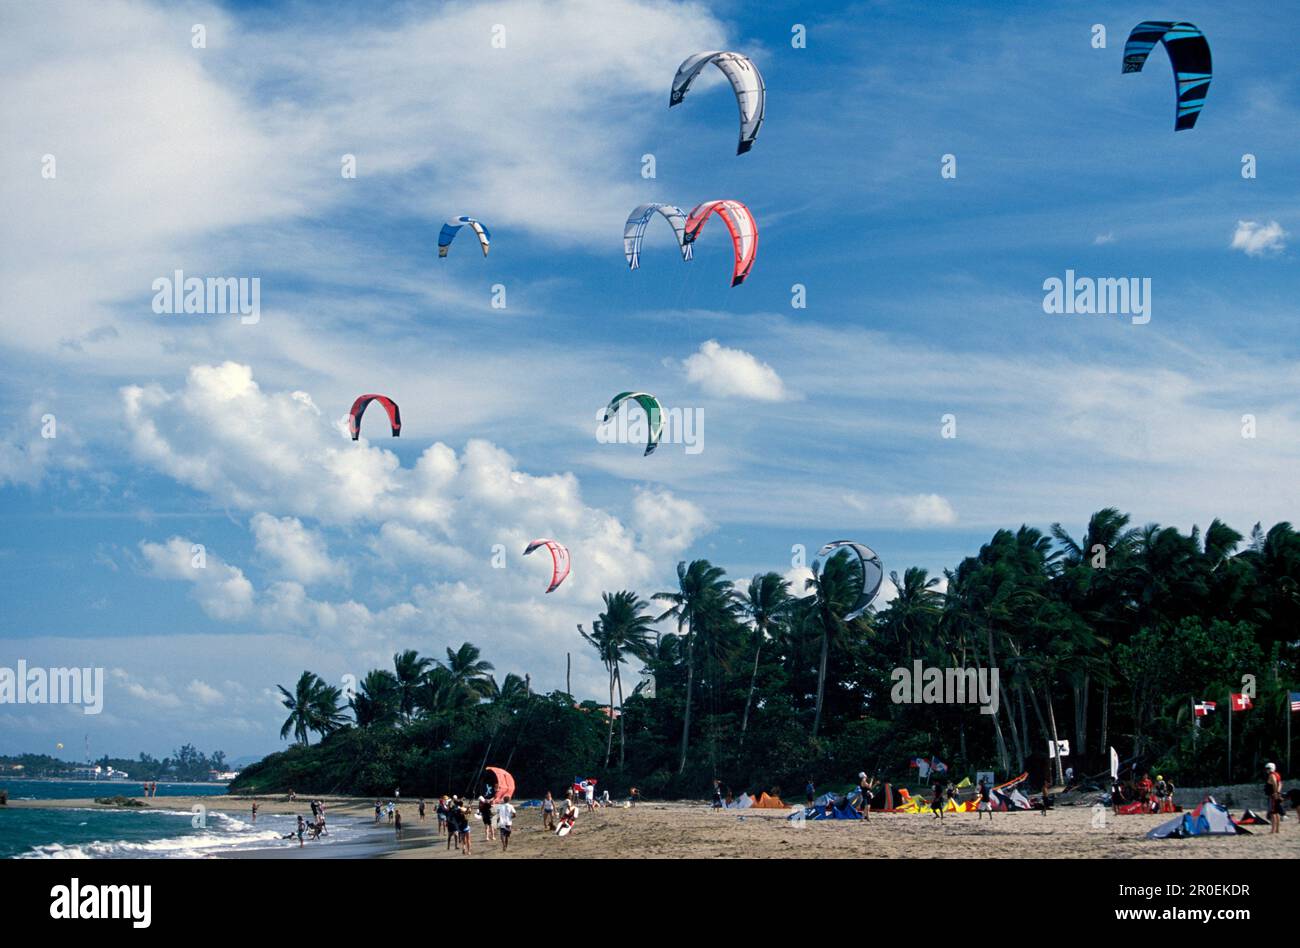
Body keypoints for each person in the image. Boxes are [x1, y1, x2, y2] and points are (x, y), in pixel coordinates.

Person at [1265, 763, 1285, 835]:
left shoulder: (1272, 775)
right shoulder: (1277, 774)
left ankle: (1273, 830)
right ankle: (1277, 830)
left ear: (1271, 768)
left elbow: (1275, 784)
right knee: (1276, 813)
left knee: (1273, 813)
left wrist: (1275, 793)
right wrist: (1278, 792)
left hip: (1272, 796)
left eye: (1267, 768)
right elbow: (1280, 784)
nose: (1266, 770)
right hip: (1275, 795)